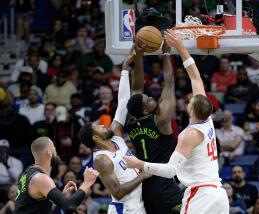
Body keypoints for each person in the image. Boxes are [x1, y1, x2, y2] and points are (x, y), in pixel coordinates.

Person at [124, 29, 229, 214]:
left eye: (190, 102)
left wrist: (138, 164)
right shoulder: (208, 121)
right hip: (218, 194)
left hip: (199, 195)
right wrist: (179, 49)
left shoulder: (187, 134)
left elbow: (171, 170)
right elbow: (195, 78)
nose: (189, 100)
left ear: (191, 110)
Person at [78, 48, 150, 214]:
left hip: (138, 204)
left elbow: (123, 102)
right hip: (123, 209)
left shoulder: (116, 137)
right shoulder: (102, 160)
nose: (104, 126)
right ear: (96, 137)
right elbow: (117, 192)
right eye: (99, 127)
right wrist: (144, 174)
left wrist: (125, 68)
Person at [125, 42, 182, 214]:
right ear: (145, 110)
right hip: (165, 185)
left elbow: (136, 87)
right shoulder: (162, 120)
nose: (151, 97)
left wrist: (140, 56)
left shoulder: (131, 121)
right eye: (148, 99)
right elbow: (170, 83)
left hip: (146, 187)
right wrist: (166, 55)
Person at [15, 137, 99, 214]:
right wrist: (87, 182)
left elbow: (34, 207)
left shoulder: (28, 173)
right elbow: (69, 207)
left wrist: (60, 197)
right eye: (54, 148)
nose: (57, 152)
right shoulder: (40, 178)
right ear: (49, 152)